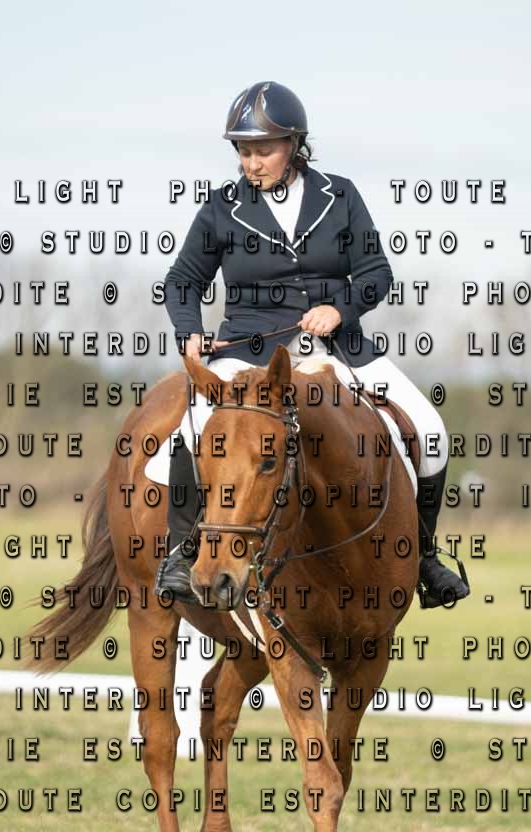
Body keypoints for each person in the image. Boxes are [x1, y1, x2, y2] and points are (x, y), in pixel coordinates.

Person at [154, 80, 470, 609]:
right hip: (250, 353)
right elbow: (182, 282)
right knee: (192, 427)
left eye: (263, 150)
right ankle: (182, 553)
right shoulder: (221, 209)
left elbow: (376, 272)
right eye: (243, 151)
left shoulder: (339, 196)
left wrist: (339, 309)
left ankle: (423, 557)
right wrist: (189, 330)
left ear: (294, 144)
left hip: (338, 349)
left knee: (431, 431)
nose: (252, 163)